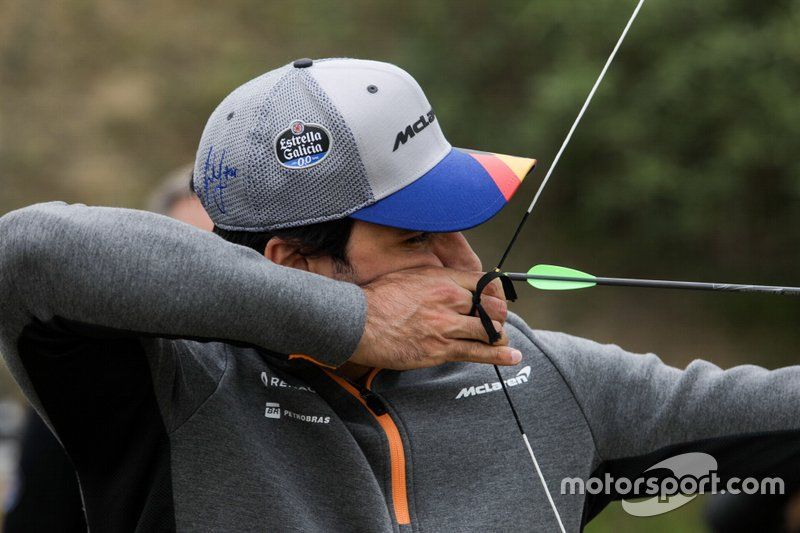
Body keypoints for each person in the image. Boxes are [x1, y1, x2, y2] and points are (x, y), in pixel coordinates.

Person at [0, 58, 797, 532]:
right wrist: (357, 324)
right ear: (291, 262)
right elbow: (31, 252)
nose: (462, 262)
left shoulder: (547, 376)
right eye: (415, 238)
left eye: (459, 228)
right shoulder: (174, 384)